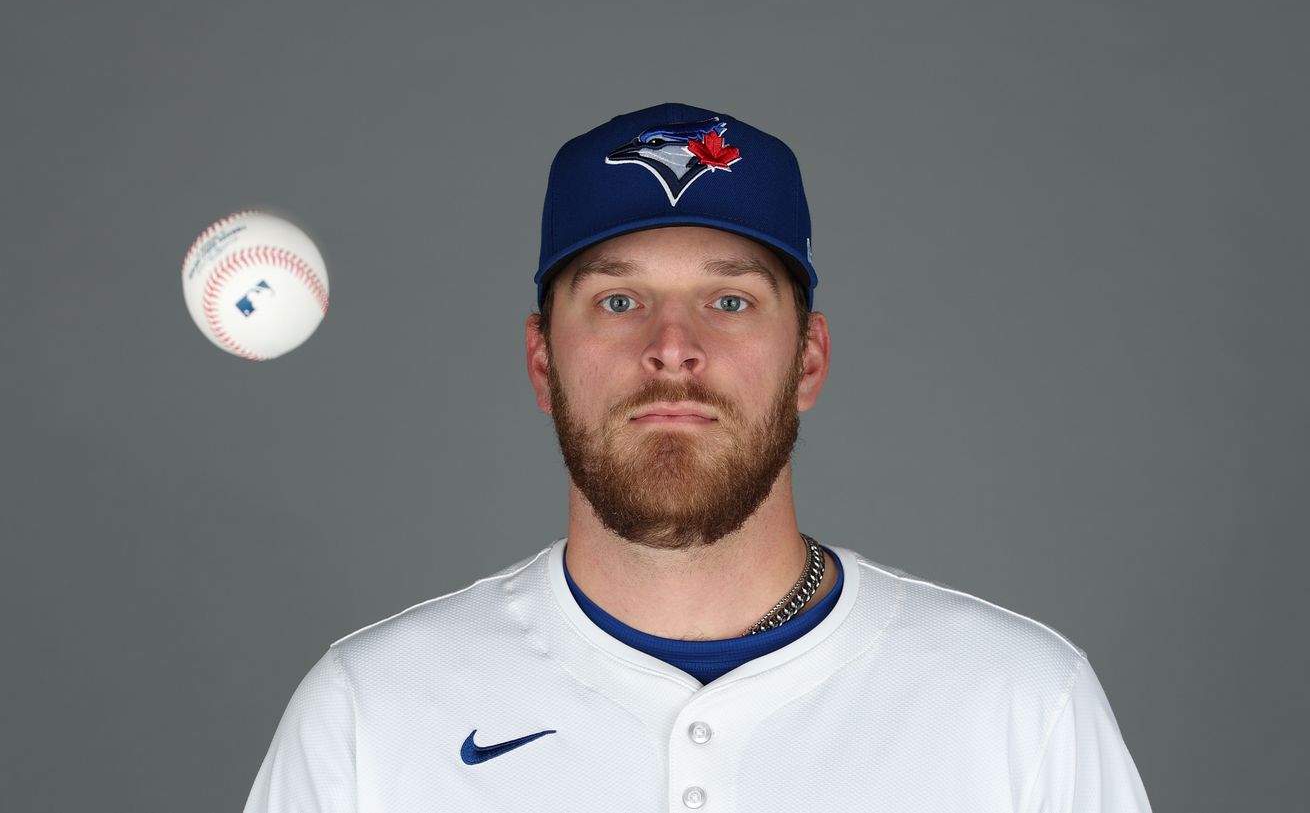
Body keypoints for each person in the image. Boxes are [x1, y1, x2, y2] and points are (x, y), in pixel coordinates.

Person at [243, 103, 1153, 812]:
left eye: (728, 301)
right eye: (615, 301)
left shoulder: (1021, 706)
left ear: (810, 357)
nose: (671, 346)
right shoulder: (371, 712)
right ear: (539, 360)